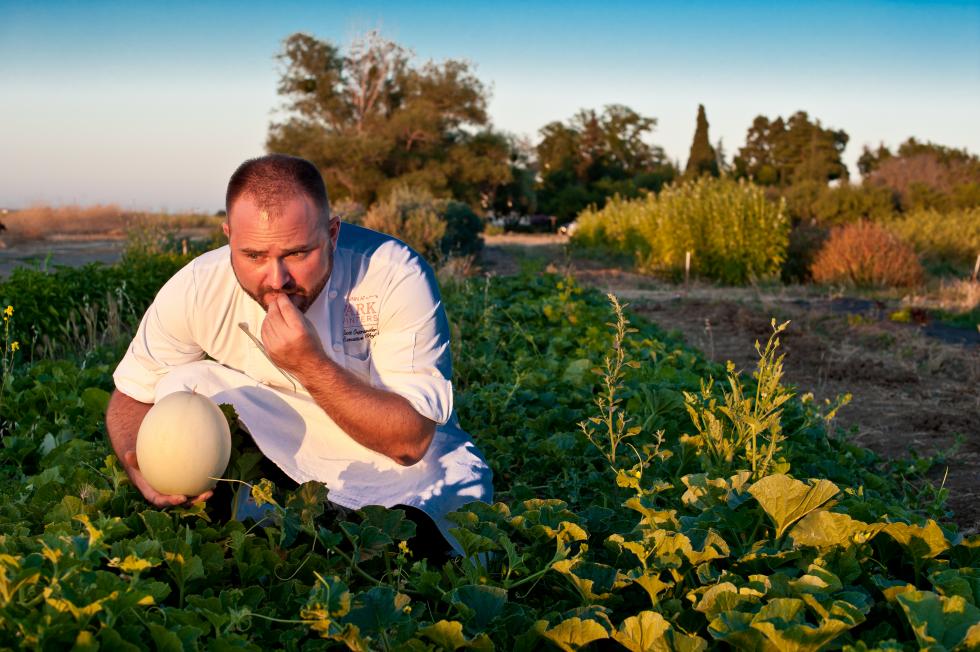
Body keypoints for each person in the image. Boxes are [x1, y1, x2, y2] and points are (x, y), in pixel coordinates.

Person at [105, 154, 492, 556]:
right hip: (276, 429)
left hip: (389, 452)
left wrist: (310, 364)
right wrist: (139, 460)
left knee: (453, 493)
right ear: (228, 237)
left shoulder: (395, 274)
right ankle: (269, 506)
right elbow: (132, 392)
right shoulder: (197, 287)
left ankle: (331, 522)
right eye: (253, 255)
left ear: (333, 233)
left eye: (297, 253)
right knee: (180, 384)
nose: (276, 281)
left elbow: (410, 442)